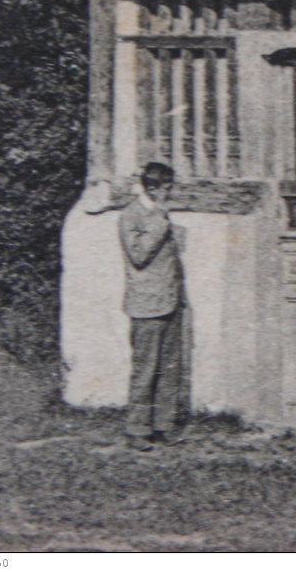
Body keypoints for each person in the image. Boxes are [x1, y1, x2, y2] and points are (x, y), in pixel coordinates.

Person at [118, 162, 185, 451]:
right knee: (145, 369)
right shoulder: (131, 215)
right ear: (154, 188)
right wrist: (159, 216)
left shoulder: (160, 213)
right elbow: (139, 255)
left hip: (169, 301)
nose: (171, 193)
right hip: (146, 304)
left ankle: (163, 425)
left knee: (169, 368)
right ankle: (137, 429)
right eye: (168, 188)